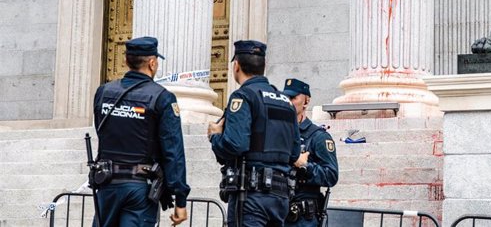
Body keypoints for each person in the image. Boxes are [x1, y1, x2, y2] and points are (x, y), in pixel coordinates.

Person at [92, 36, 189, 227]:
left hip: (107, 184)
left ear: (126, 61)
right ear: (152, 63)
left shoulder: (103, 92)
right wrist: (180, 198)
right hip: (139, 189)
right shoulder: (162, 97)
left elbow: (101, 130)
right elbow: (173, 151)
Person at [207, 40, 301, 227]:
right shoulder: (286, 102)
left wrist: (215, 137)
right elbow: (295, 153)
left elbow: (235, 144)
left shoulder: (244, 96)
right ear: (263, 67)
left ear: (236, 66)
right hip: (280, 196)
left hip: (251, 196)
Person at [283, 78, 338, 227]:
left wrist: (306, 165)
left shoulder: (318, 137)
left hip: (302, 219)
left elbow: (331, 175)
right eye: (285, 98)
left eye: (293, 98)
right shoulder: (277, 135)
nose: (288, 102)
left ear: (306, 101)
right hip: (277, 213)